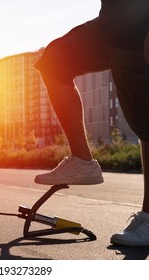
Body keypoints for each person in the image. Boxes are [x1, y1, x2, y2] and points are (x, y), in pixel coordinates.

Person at [34, 0, 149, 246]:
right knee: (54, 60)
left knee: (145, 123)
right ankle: (82, 161)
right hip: (109, 26)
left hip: (139, 30)